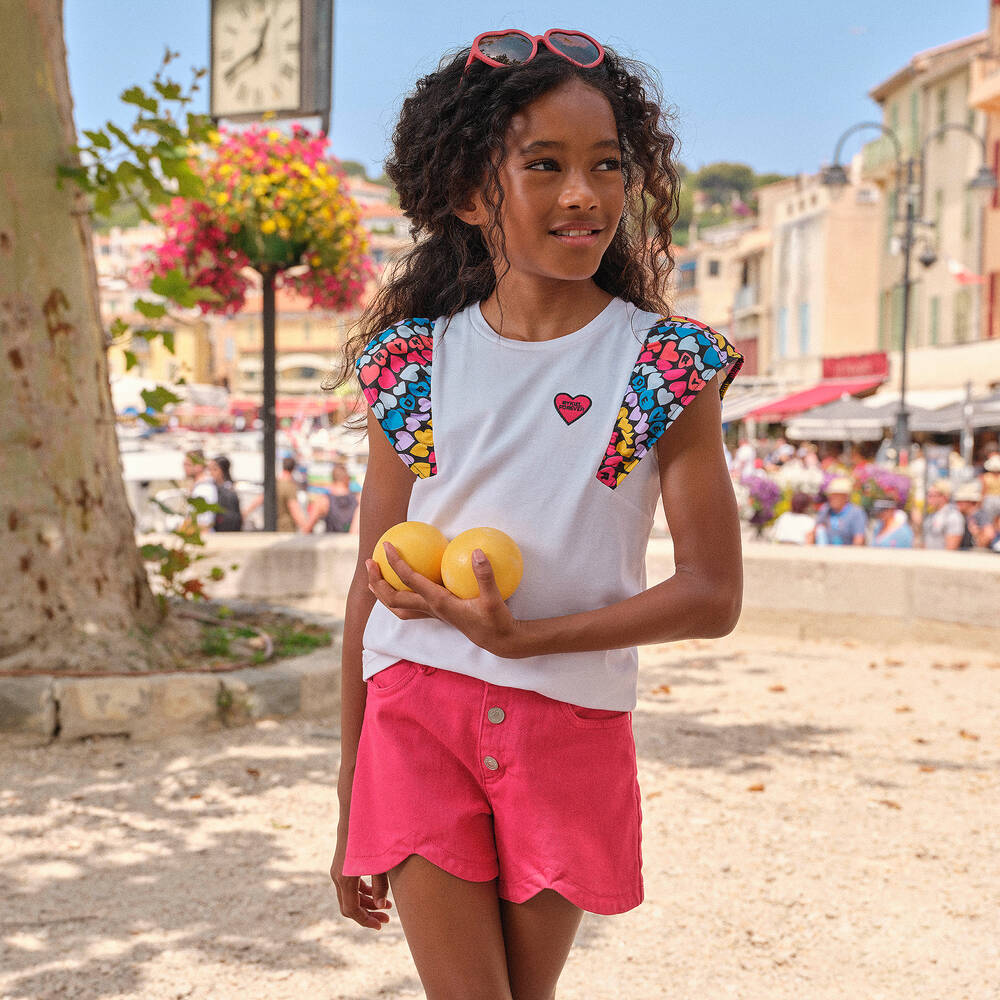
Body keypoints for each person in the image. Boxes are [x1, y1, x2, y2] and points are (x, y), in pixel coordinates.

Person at [326, 30, 744, 999]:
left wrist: (530, 640)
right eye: (544, 165)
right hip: (415, 714)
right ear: (474, 193)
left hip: (570, 726)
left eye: (606, 166)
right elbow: (370, 587)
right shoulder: (411, 364)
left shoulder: (666, 366)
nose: (583, 196)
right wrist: (349, 793)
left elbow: (712, 593)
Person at [244, 455, 308, 531]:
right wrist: (305, 527)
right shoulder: (290, 486)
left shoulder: (275, 483)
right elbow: (294, 508)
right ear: (293, 468)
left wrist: (244, 514)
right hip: (286, 528)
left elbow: (258, 500)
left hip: (272, 527)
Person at [302, 463, 361, 534]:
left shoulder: (324, 501)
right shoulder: (358, 499)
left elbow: (307, 528)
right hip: (352, 543)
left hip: (332, 542)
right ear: (347, 479)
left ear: (333, 479)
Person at [812, 477, 866, 545]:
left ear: (846, 497)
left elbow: (859, 539)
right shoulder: (825, 509)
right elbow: (814, 532)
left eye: (836, 495)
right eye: (831, 495)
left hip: (847, 552)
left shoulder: (856, 512)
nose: (832, 498)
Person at [918, 480, 965, 550]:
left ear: (944, 497)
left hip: (942, 559)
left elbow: (951, 547)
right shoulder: (931, 516)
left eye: (932, 495)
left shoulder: (953, 516)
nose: (929, 498)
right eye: (928, 495)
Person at [182, 449, 218, 532]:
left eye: (188, 464)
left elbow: (203, 524)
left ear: (199, 466)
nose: (184, 468)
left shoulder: (204, 489)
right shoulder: (200, 487)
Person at [208, 455, 243, 532]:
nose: (210, 473)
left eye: (214, 469)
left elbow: (231, 518)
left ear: (223, 470)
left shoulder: (228, 491)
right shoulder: (212, 487)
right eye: (209, 469)